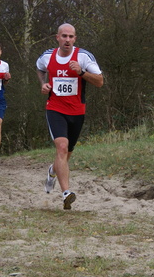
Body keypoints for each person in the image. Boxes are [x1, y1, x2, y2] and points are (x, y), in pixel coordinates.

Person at [36, 23, 104, 210]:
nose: (67, 40)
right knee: (62, 147)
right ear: (57, 37)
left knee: (66, 156)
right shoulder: (47, 56)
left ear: (75, 39)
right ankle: (66, 193)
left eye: (71, 37)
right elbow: (39, 68)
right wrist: (43, 84)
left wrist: (81, 72)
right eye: (64, 36)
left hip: (77, 112)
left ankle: (52, 171)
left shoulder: (84, 57)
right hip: (55, 108)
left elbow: (100, 81)